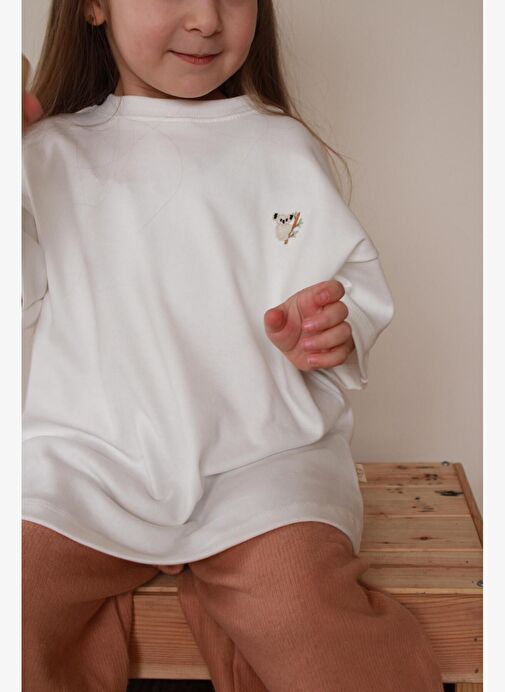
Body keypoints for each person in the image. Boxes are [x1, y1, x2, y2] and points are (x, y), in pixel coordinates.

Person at [21, 1, 444, 690]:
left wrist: (330, 328)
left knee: (302, 613)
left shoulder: (280, 148)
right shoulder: (45, 153)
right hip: (88, 463)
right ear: (94, 5)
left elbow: (349, 284)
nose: (206, 19)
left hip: (263, 460)